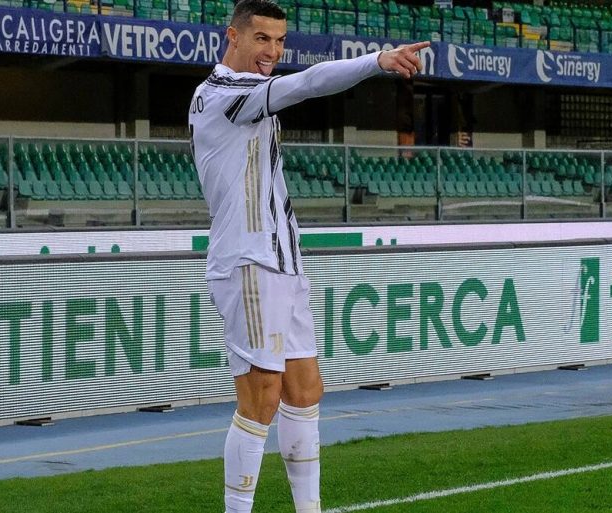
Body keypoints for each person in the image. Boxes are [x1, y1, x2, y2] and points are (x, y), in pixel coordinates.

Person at [188, 2, 428, 511]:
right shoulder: (223, 94)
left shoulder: (245, 94)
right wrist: (376, 61)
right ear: (233, 36)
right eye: (262, 39)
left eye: (279, 41)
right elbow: (307, 84)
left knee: (305, 390)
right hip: (248, 260)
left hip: (283, 260)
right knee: (262, 398)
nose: (272, 51)